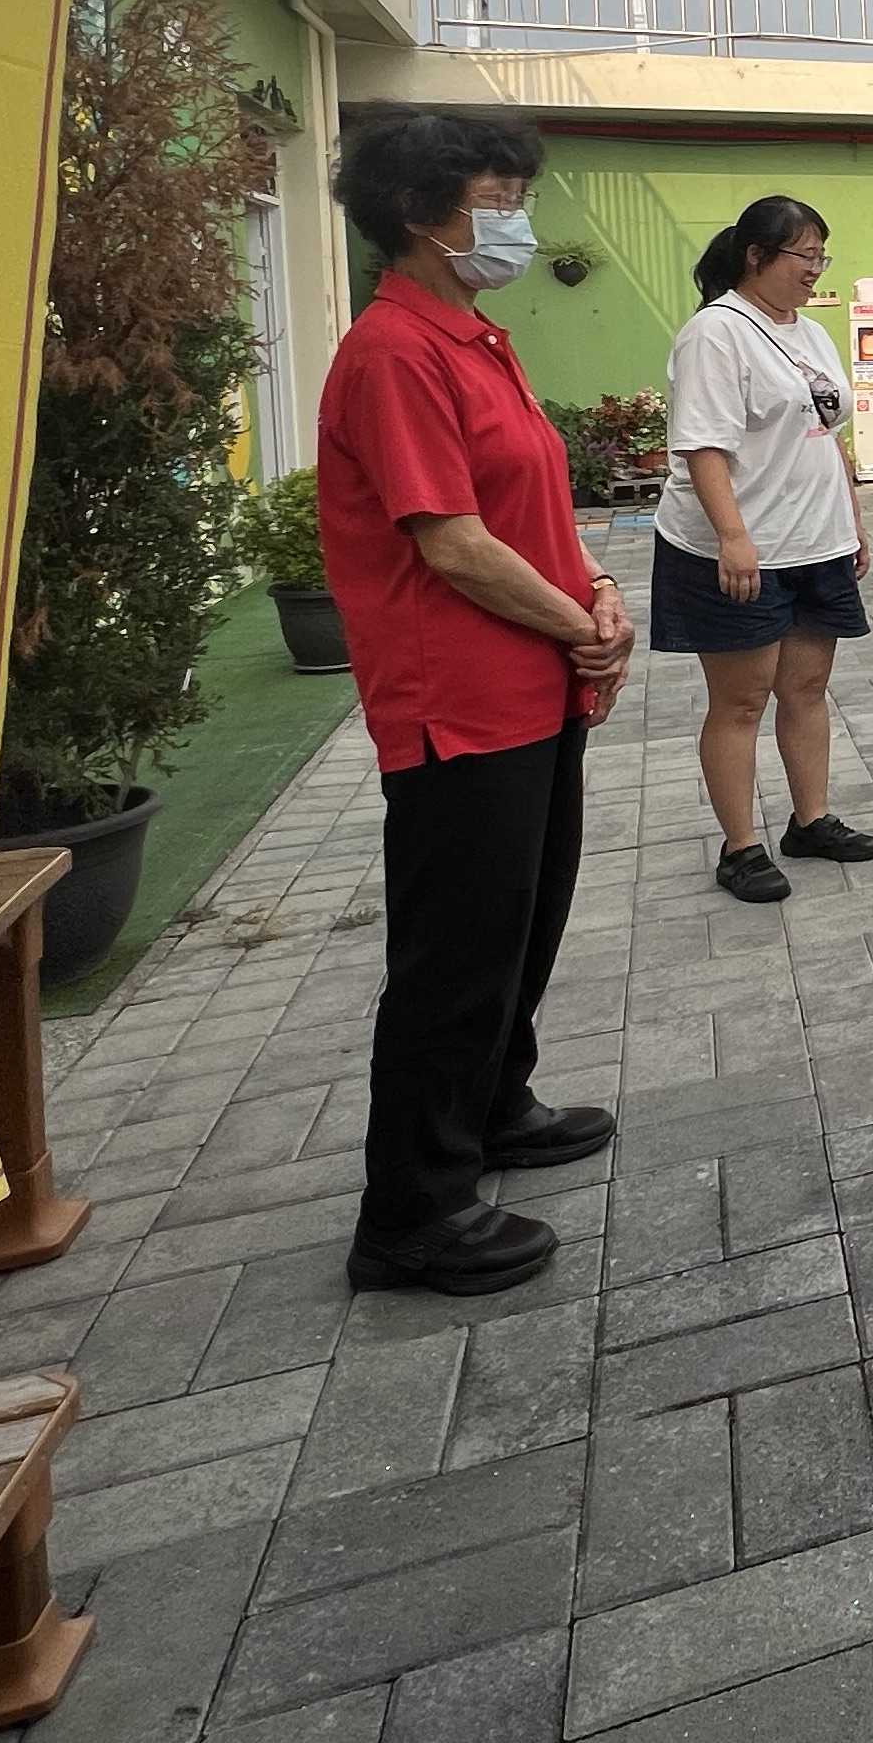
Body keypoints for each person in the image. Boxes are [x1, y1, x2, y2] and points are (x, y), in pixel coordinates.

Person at [315, 112, 628, 1297]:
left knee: (523, 922)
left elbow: (526, 509)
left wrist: (597, 592)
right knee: (455, 955)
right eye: (497, 199)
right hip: (459, 701)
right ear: (419, 213)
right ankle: (412, 1210)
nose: (517, 221)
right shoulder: (394, 351)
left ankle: (496, 1106)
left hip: (534, 689)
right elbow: (449, 542)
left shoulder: (476, 338)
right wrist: (580, 625)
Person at [656, 196, 873, 904]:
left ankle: (811, 821)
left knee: (806, 689)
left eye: (821, 257)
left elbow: (828, 433)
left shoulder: (809, 333)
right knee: (742, 700)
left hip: (815, 540)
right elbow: (702, 446)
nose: (815, 270)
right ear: (755, 256)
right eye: (803, 256)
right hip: (738, 549)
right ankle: (740, 847)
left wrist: (851, 518)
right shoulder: (715, 333)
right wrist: (732, 538)